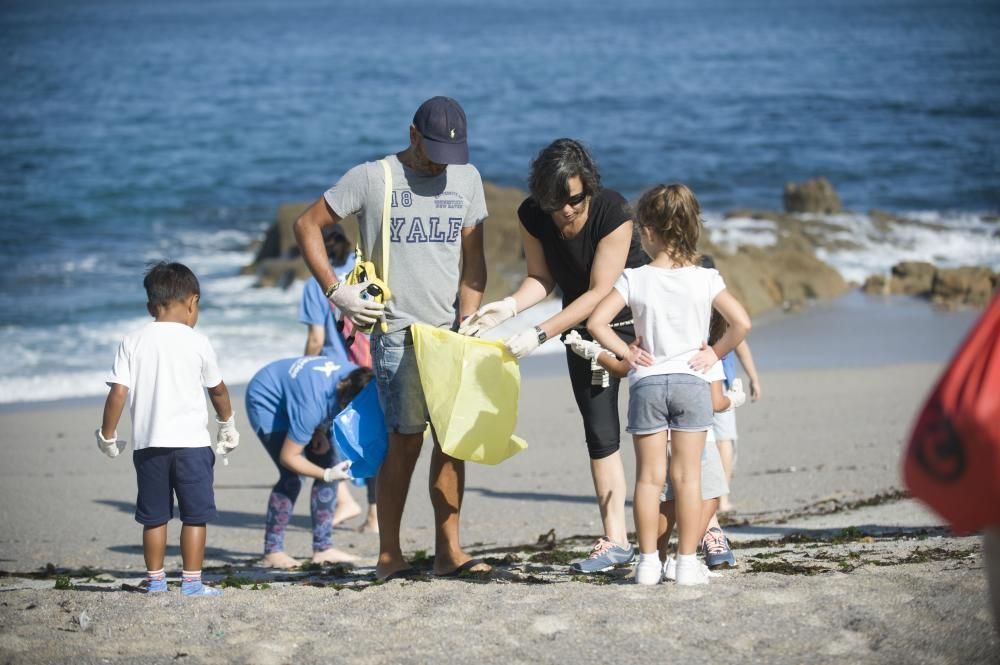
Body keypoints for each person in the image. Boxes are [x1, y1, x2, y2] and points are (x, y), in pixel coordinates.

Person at [293, 96, 489, 580]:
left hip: (449, 335)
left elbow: (474, 265)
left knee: (453, 442)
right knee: (405, 441)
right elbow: (306, 225)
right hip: (397, 337)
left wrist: (470, 319)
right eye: (435, 150)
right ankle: (390, 556)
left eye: (453, 152)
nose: (443, 162)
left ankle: (450, 553)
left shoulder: (467, 179)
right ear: (413, 134)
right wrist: (337, 292)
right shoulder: (372, 178)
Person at [460, 138, 649, 575]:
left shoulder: (613, 211)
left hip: (635, 325)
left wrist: (541, 332)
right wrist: (507, 308)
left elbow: (602, 289)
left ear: (589, 188)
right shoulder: (533, 214)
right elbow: (541, 278)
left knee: (661, 426)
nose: (566, 210)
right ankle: (617, 540)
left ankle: (706, 525)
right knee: (601, 436)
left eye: (574, 199)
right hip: (581, 333)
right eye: (555, 202)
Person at [588, 183, 751, 585]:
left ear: (648, 232)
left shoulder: (635, 277)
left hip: (646, 383)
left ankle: (647, 562)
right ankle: (686, 561)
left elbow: (596, 323)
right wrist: (714, 354)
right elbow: (742, 323)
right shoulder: (706, 278)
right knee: (688, 478)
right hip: (693, 383)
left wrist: (627, 354)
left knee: (649, 478)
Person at [96, 262, 239, 597]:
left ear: (150, 307)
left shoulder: (132, 340)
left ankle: (156, 580)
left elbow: (118, 392)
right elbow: (217, 390)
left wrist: (107, 434)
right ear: (193, 301)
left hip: (149, 446)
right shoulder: (198, 342)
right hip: (192, 445)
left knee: (154, 517)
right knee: (194, 516)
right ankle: (191, 582)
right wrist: (227, 424)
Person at [245, 356, 371, 569]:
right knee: (293, 477)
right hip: (267, 399)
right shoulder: (313, 406)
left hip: (300, 395)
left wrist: (321, 430)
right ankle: (272, 551)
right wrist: (326, 475)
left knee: (331, 464)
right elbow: (289, 457)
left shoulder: (361, 376)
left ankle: (323, 548)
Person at [299, 224, 377, 534]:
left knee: (319, 440)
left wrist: (303, 369)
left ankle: (344, 500)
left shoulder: (316, 284)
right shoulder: (365, 275)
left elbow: (316, 339)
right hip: (371, 369)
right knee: (374, 439)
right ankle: (375, 518)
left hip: (335, 375)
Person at [699, 255, 762, 514]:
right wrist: (753, 378)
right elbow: (742, 345)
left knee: (702, 441)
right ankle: (721, 500)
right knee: (724, 442)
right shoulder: (722, 310)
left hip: (692, 384)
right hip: (721, 388)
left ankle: (700, 496)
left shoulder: (687, 307)